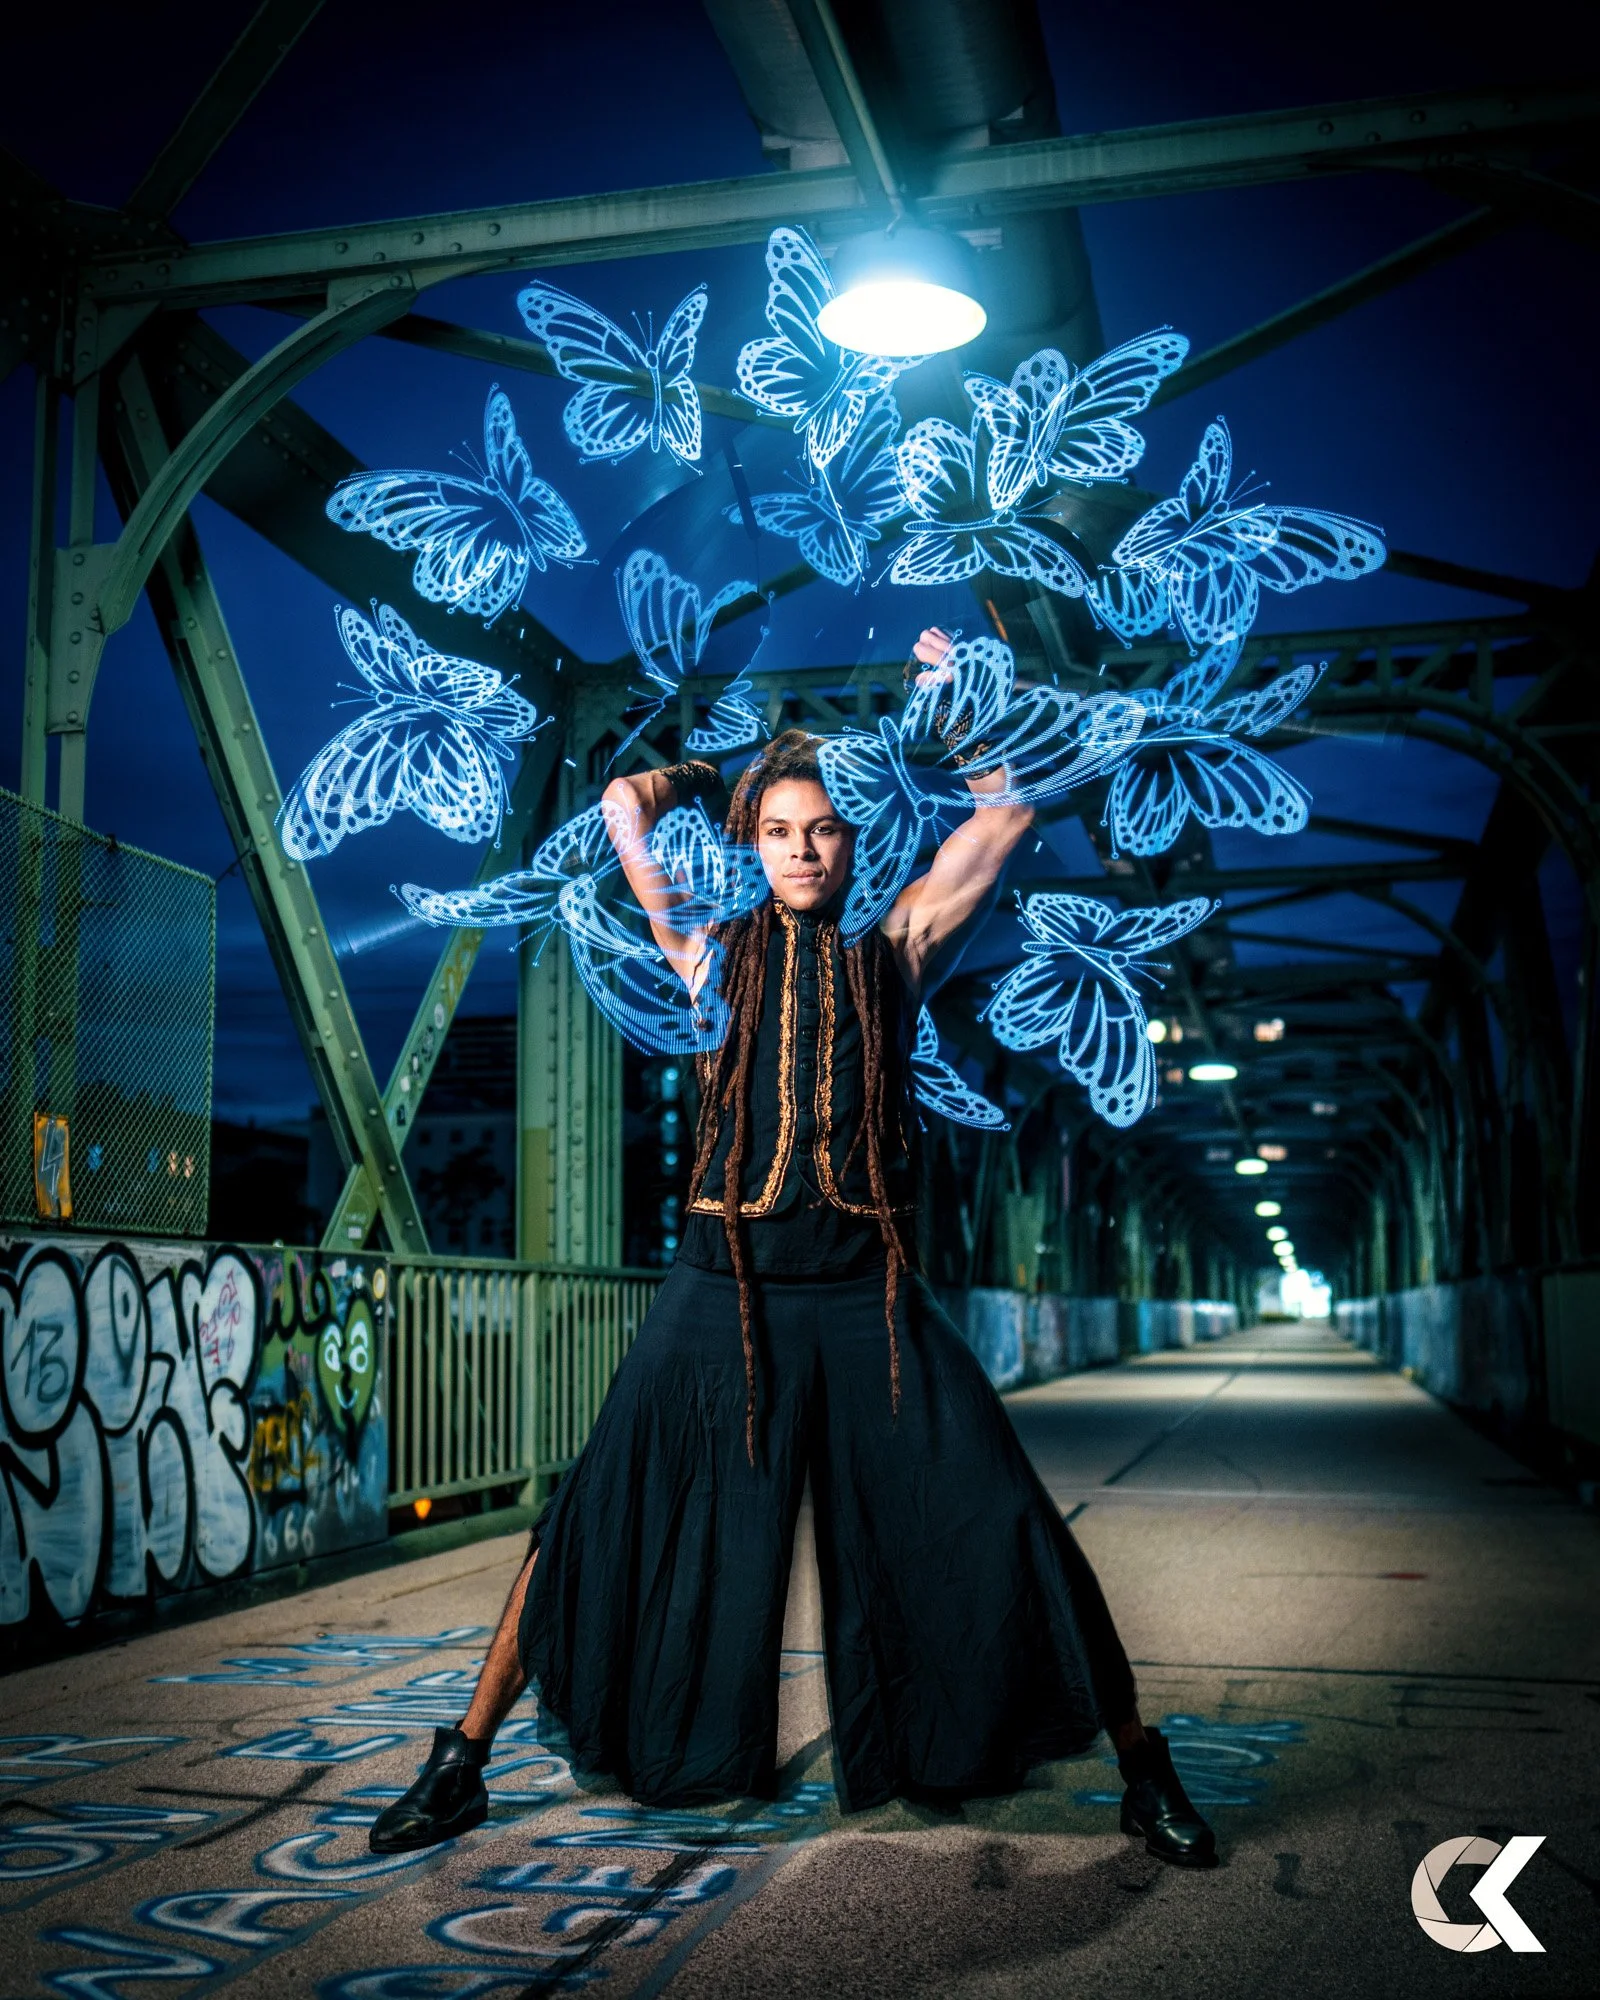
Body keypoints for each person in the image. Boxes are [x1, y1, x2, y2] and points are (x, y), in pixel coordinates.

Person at [370, 626, 1216, 1867]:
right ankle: (462, 1760)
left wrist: (957, 707)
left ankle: (1143, 1766)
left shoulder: (899, 950)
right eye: (778, 831)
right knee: (594, 1512)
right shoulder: (708, 957)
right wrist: (717, 779)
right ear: (751, 846)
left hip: (866, 1299)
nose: (803, 849)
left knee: (1004, 1511)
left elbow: (1009, 810)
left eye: (821, 829)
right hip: (724, 1289)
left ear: (851, 840)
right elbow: (619, 803)